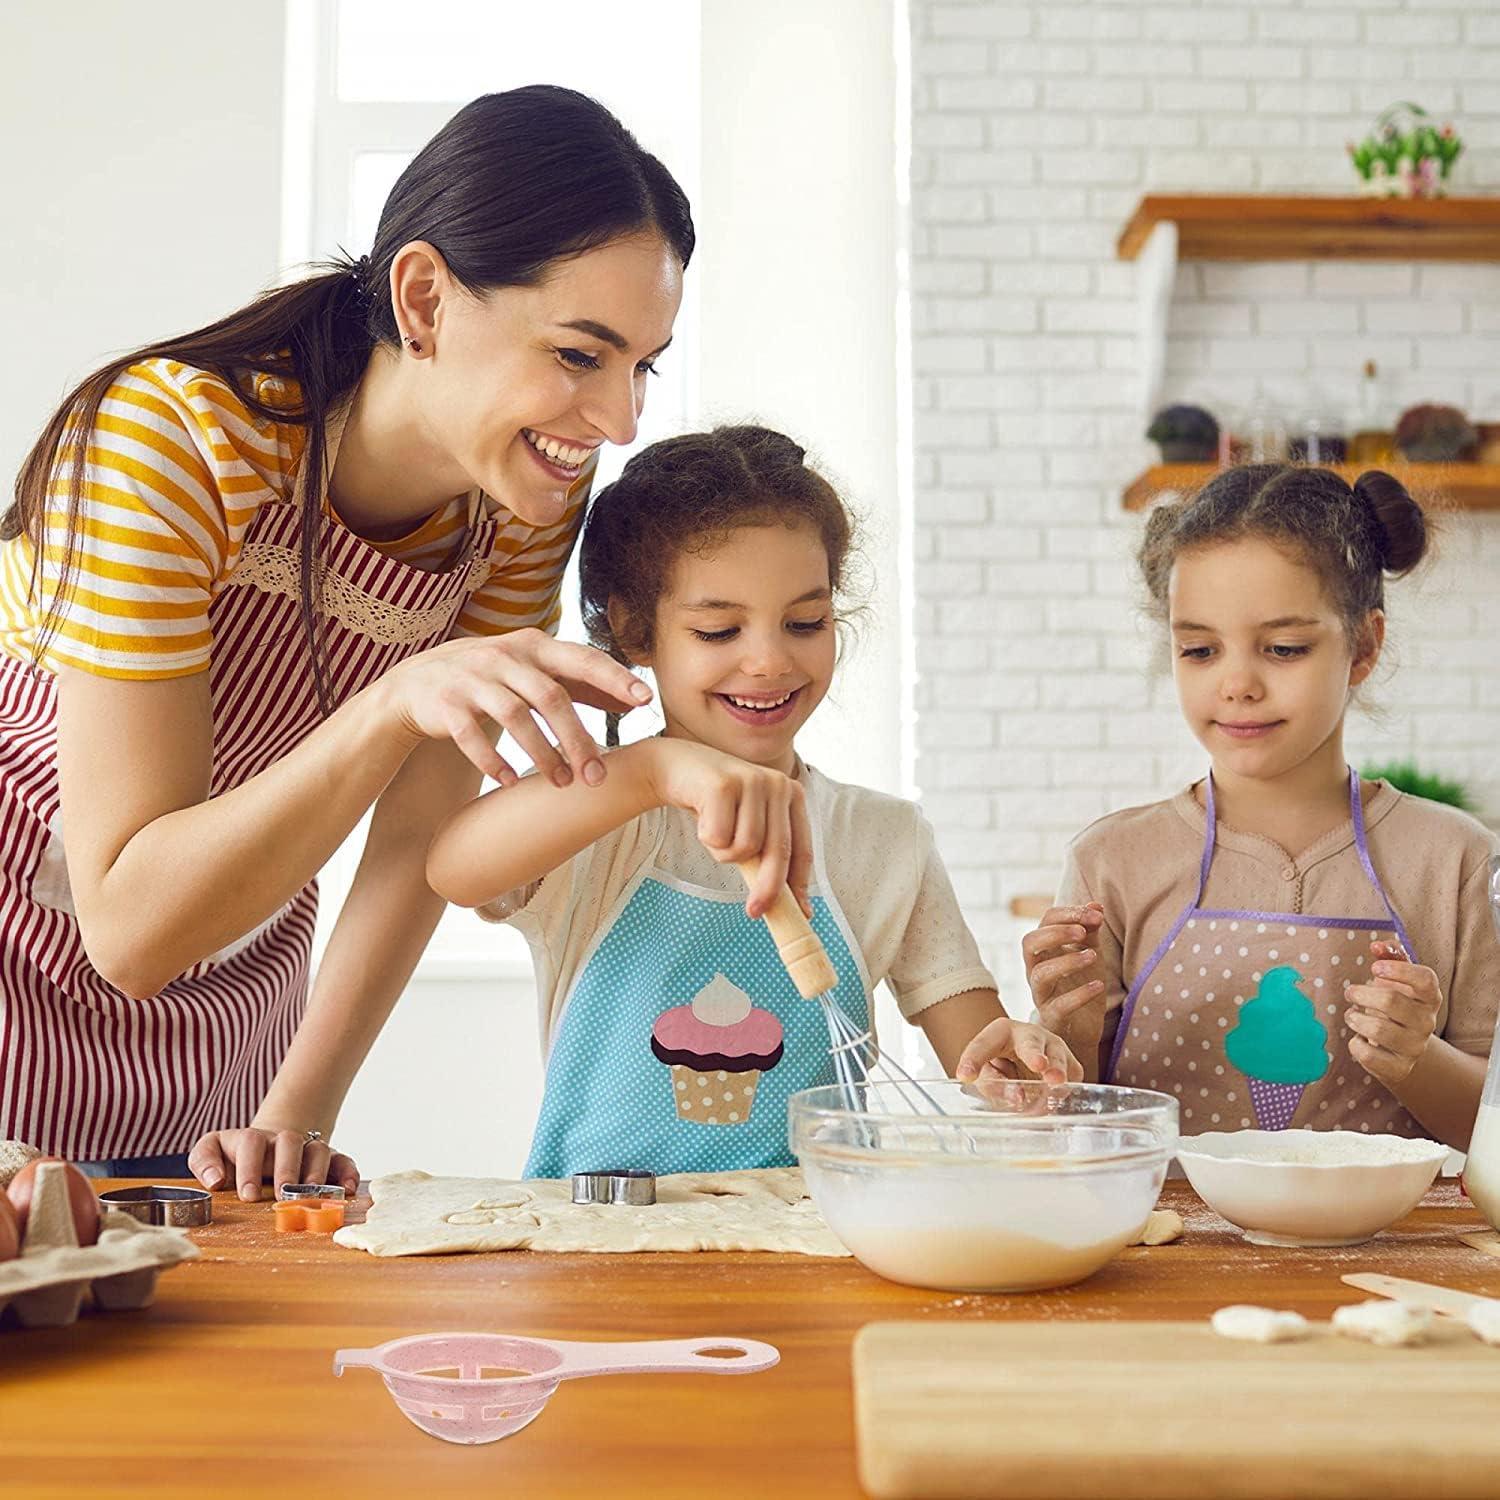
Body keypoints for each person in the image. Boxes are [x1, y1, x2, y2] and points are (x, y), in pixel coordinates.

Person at [0, 86, 711, 1198]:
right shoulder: (176, 441)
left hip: (226, 991)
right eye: (581, 355)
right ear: (423, 296)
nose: (619, 421)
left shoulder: (515, 507)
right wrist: (390, 701)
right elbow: (131, 925)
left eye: (644, 366)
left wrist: (297, 1108)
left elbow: (419, 830)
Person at [426, 425, 1080, 1177]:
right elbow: (453, 869)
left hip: (808, 1248)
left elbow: (981, 1056)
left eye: (805, 622)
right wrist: (651, 772)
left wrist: (1021, 1060)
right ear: (637, 630)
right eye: (718, 628)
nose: (770, 660)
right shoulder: (598, 814)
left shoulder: (882, 838)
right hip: (598, 1249)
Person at [1021, 465, 1498, 1149]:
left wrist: (1417, 1058)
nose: (1237, 683)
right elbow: (1078, 1129)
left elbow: (1490, 1131)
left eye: (1283, 648)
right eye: (1199, 649)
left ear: (1364, 647)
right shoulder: (1112, 861)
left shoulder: (1454, 858)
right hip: (1169, 1250)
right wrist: (1065, 1032)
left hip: (1392, 1251)